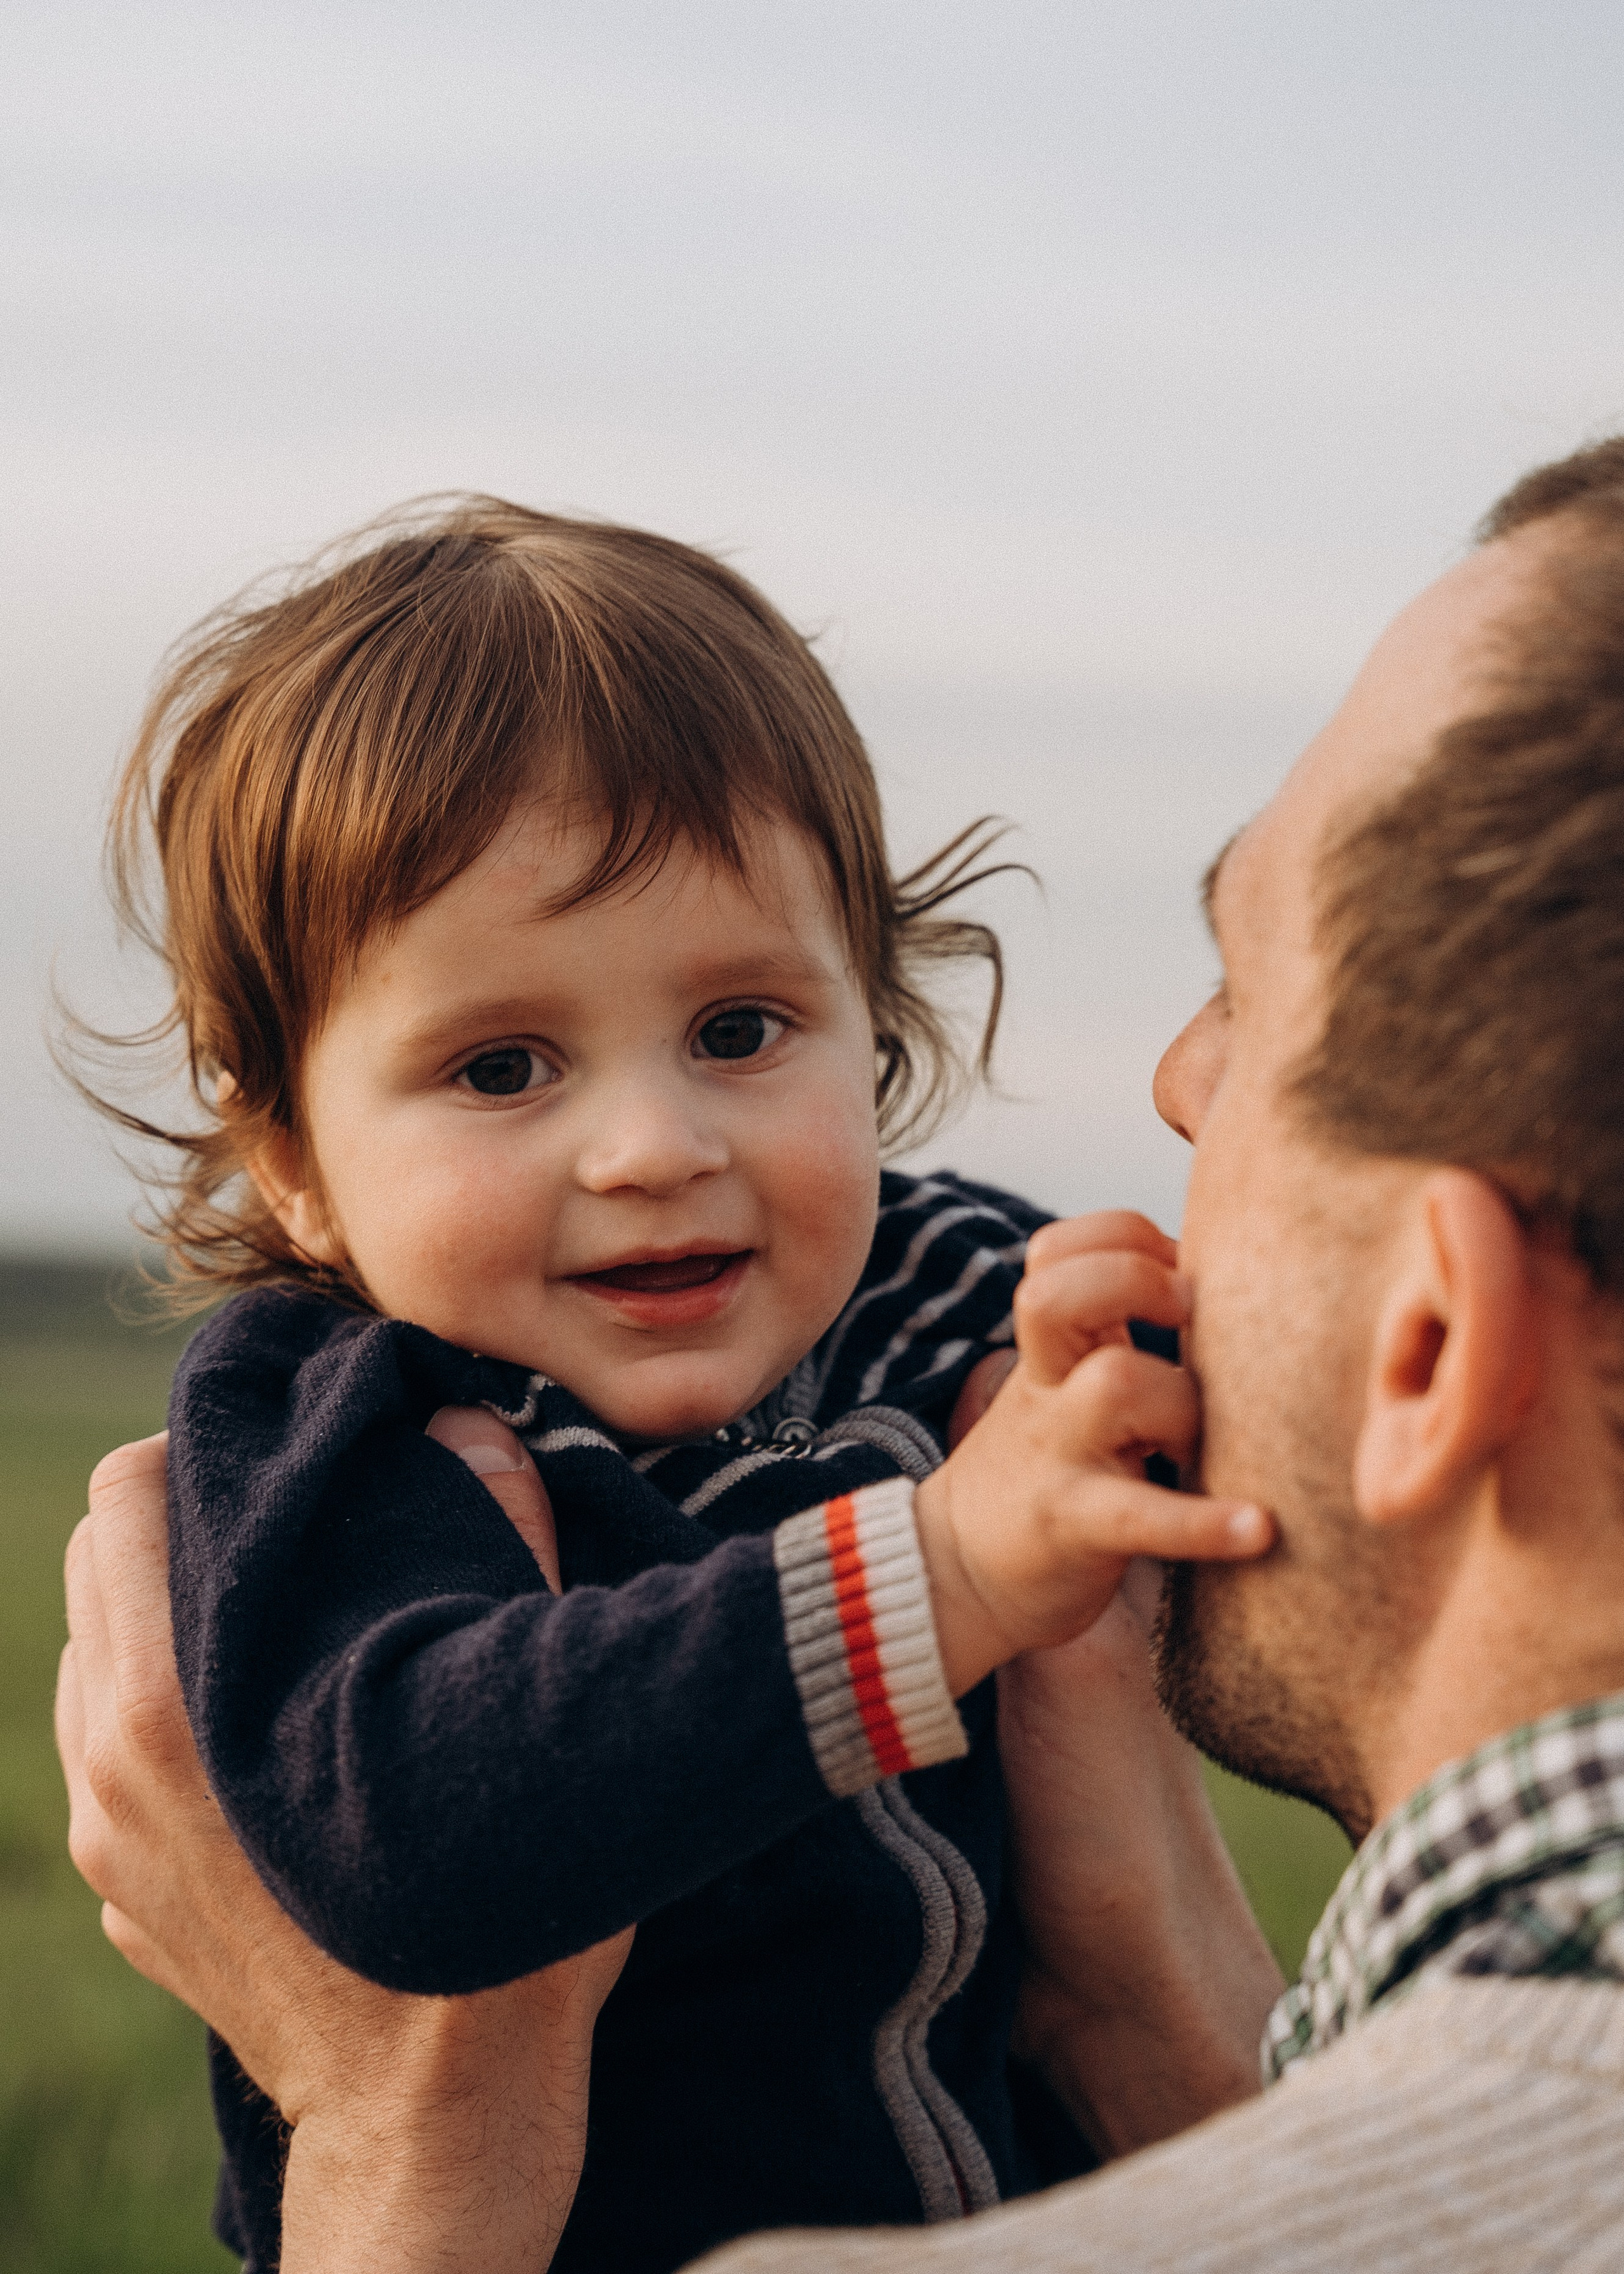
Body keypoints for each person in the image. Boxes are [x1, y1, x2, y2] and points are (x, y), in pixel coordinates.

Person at [61, 427, 1624, 2271]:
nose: (652, 1146)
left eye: (740, 1027)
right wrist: (948, 1569)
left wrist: (1112, 1357)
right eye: (501, 1069)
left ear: (869, 1021)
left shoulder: (928, 1275)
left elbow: (1256, 1420)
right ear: (296, 1168)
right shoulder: (346, 1427)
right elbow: (410, 1840)